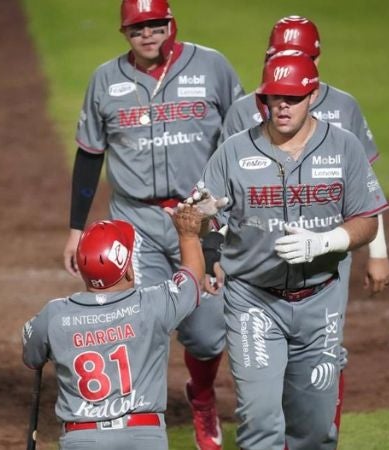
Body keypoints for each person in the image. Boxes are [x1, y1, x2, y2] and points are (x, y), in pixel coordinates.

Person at [62, 1, 244, 448]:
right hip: (135, 222)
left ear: (171, 23)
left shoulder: (213, 67)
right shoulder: (105, 81)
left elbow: (241, 143)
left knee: (205, 333)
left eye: (156, 24)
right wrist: (74, 228)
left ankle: (201, 396)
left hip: (200, 218)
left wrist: (223, 225)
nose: (148, 34)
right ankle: (136, 426)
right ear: (124, 32)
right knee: (137, 324)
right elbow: (90, 155)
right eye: (137, 27)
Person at [194, 54, 389, 449]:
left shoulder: (344, 147)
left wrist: (325, 241)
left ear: (313, 95)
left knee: (315, 430)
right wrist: (205, 228)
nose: (281, 106)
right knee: (260, 421)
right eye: (273, 97)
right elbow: (205, 220)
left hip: (321, 301)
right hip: (253, 300)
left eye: (293, 97)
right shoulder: (233, 151)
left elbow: (367, 220)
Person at [221, 15, 389, 296]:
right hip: (258, 250)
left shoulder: (343, 106)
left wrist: (378, 252)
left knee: (321, 333)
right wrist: (217, 250)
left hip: (329, 248)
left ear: (318, 57)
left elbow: (365, 187)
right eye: (279, 56)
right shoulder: (242, 111)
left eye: (300, 56)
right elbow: (227, 190)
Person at [23, 205, 206, 450]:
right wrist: (188, 235)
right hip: (143, 437)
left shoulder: (54, 315)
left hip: (82, 439)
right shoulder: (153, 305)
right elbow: (192, 279)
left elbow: (31, 357)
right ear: (127, 269)